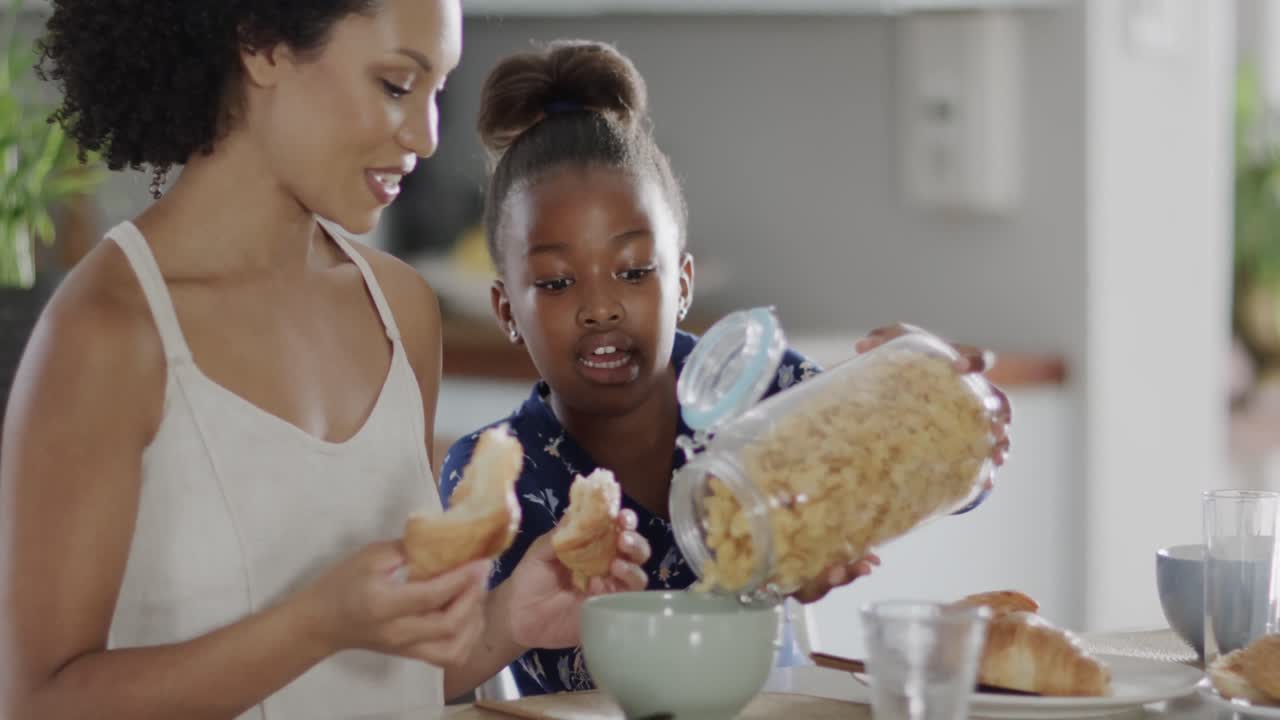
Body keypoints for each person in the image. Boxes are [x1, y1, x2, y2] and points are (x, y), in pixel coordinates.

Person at [0, 4, 650, 718]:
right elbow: (39, 703)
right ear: (264, 45)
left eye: (438, 92)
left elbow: (383, 679)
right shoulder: (108, 332)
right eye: (397, 84)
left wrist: (507, 621)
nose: (427, 136)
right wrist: (313, 623)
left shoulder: (400, 311)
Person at [440, 39, 1011, 697]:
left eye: (633, 271)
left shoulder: (759, 394)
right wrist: (507, 617)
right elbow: (426, 680)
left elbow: (939, 476)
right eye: (556, 283)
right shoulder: (497, 473)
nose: (599, 307)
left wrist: (934, 401)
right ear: (505, 307)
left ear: (682, 283)